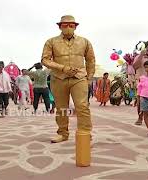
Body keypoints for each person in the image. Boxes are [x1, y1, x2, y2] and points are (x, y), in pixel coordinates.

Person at [41, 15, 95, 143]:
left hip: (79, 77)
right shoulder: (51, 42)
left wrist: (89, 78)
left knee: (82, 106)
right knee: (61, 108)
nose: (68, 28)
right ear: (59, 26)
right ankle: (63, 133)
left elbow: (90, 60)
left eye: (71, 25)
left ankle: (85, 132)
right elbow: (45, 60)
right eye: (65, 25)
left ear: (75, 26)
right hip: (58, 78)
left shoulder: (84, 41)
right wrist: (62, 68)